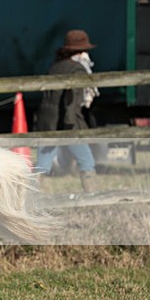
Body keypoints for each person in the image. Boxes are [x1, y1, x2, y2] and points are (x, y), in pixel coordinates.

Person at [33, 29, 98, 193]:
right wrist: (71, 125)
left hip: (48, 122)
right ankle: (92, 197)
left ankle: (28, 198)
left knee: (43, 164)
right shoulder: (77, 69)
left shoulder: (55, 67)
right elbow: (72, 100)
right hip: (68, 123)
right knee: (86, 161)